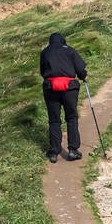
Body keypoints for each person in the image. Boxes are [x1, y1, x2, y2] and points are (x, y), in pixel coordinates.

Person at [40, 32, 87, 163]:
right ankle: (73, 150)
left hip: (51, 88)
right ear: (63, 41)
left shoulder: (45, 52)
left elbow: (43, 72)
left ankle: (54, 152)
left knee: (54, 120)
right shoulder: (70, 50)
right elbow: (81, 69)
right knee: (71, 117)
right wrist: (83, 76)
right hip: (69, 89)